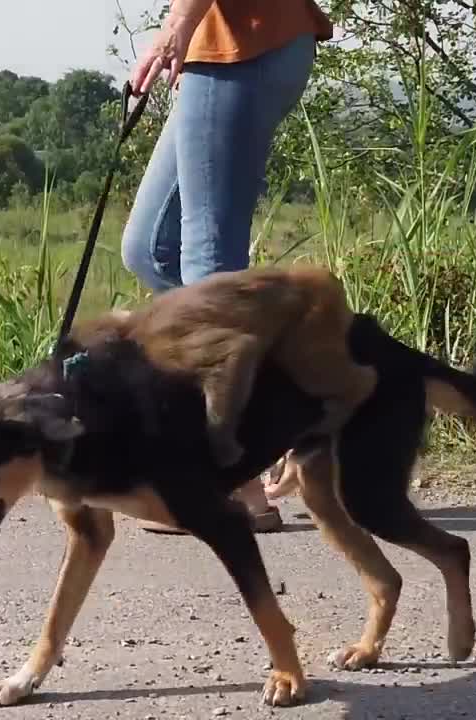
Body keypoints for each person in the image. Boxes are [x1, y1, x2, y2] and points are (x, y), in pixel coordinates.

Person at [120, 0, 333, 534]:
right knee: (150, 250)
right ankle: (290, 407)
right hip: (230, 43)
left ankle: (235, 486)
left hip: (241, 42)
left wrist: (176, 26)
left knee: (208, 266)